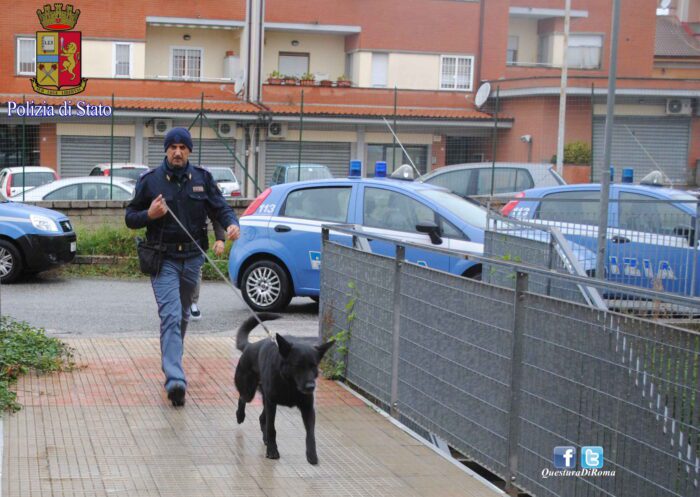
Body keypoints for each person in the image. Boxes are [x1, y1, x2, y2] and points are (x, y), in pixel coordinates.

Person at [125, 127, 240, 407]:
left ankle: (171, 358)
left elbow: (220, 207)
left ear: (189, 151)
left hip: (192, 259)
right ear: (166, 150)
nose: (177, 152)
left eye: (183, 147)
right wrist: (149, 214)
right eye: (173, 147)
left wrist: (231, 224)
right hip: (163, 260)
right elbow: (130, 217)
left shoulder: (202, 178)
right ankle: (175, 380)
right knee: (172, 316)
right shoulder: (150, 181)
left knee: (184, 315)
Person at [189, 219, 226, 320]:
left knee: (196, 270)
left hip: (198, 238)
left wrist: (220, 238)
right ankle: (176, 304)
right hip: (172, 237)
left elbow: (216, 213)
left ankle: (193, 303)